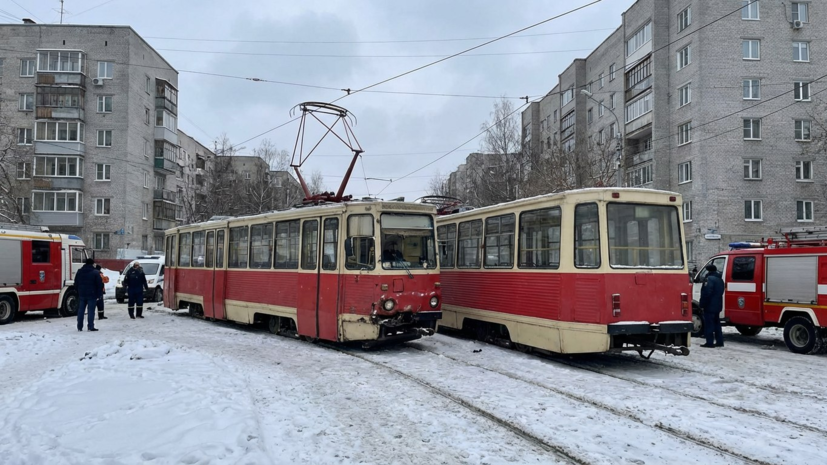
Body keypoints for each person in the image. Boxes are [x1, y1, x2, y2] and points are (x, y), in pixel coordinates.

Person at [698, 264, 725, 348]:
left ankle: (709, 342)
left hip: (709, 305)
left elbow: (706, 293)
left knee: (709, 324)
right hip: (718, 305)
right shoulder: (720, 280)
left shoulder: (709, 279)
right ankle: (719, 341)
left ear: (708, 271)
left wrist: (702, 304)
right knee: (717, 323)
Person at [75, 258, 103, 332]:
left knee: (81, 310)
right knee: (91, 310)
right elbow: (99, 285)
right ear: (92, 264)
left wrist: (78, 291)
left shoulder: (79, 271)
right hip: (92, 294)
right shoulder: (95, 272)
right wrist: (99, 294)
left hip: (82, 294)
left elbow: (76, 283)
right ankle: (90, 326)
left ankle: (79, 326)